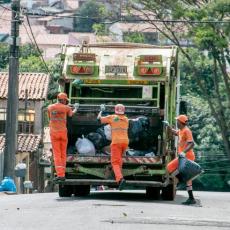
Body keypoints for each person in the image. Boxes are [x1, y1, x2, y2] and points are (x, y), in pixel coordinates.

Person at [163, 115, 196, 205]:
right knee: (188, 179)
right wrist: (168, 125)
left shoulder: (187, 130)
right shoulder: (181, 131)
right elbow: (174, 132)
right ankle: (191, 198)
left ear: (181, 122)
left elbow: (192, 143)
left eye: (177, 121)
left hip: (186, 156)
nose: (176, 122)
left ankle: (181, 181)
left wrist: (183, 152)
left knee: (169, 167)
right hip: (183, 156)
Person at [97, 104, 129, 190]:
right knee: (119, 160)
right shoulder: (126, 119)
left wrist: (101, 111)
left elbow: (98, 119)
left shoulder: (112, 117)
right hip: (125, 142)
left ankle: (120, 179)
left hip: (116, 142)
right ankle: (120, 177)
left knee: (114, 162)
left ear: (115, 110)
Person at [48, 92, 78, 181]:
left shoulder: (50, 107)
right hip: (63, 133)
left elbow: (50, 118)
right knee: (63, 154)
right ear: (64, 100)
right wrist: (76, 107)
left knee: (57, 154)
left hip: (54, 133)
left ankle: (60, 175)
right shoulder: (66, 108)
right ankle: (63, 173)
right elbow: (71, 114)